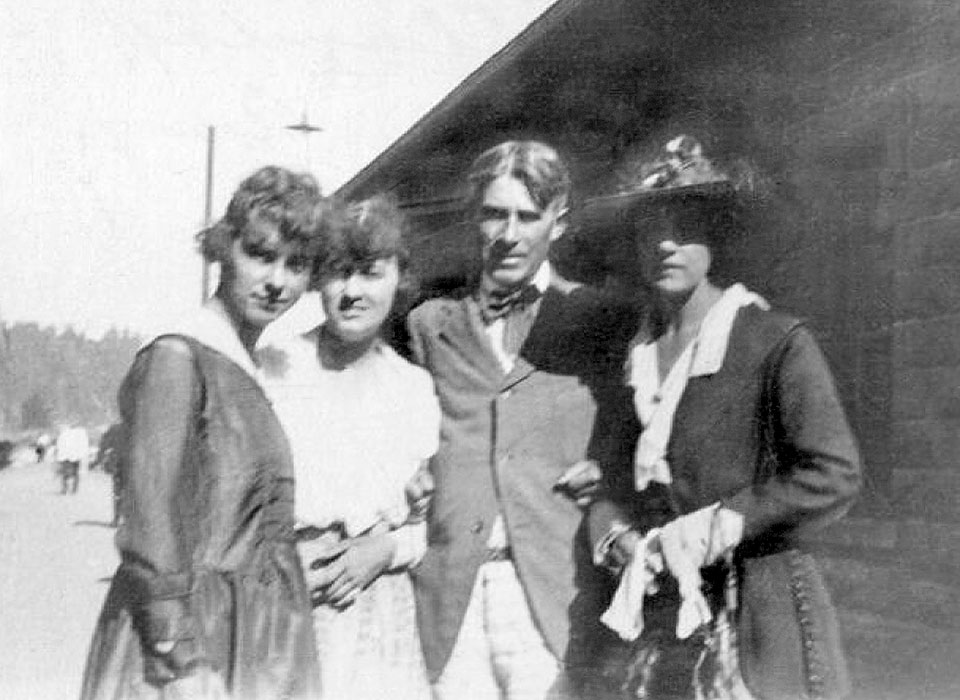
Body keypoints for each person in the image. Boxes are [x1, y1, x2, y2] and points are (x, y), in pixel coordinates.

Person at [590, 136, 862, 700]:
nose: (666, 243)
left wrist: (718, 524)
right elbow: (611, 477)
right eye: (650, 228)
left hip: (760, 609)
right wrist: (615, 534)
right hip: (662, 613)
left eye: (684, 225)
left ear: (716, 235)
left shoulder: (773, 340)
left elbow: (833, 473)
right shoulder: (634, 355)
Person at [80, 165, 327, 700]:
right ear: (222, 248)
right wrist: (181, 658)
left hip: (258, 636)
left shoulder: (248, 367)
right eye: (260, 255)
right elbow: (149, 524)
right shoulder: (178, 357)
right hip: (192, 641)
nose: (277, 281)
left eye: (296, 264)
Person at [406, 140, 634, 700]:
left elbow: (642, 434)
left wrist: (611, 473)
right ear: (473, 220)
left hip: (554, 595)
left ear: (558, 222)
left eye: (527, 216)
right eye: (494, 214)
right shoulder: (428, 327)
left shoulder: (601, 319)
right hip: (449, 597)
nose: (509, 234)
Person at [259, 195, 440, 700]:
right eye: (339, 273)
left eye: (370, 273)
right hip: (289, 599)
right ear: (318, 278)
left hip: (378, 609)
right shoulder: (275, 367)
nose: (352, 292)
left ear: (399, 278)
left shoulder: (413, 388)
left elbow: (426, 525)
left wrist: (386, 549)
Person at [55, 421, 88, 494]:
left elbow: (59, 445)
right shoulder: (80, 434)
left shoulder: (64, 434)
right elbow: (84, 445)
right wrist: (82, 455)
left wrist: (59, 456)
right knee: (76, 473)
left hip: (65, 457)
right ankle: (74, 489)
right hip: (76, 456)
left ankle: (65, 489)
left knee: (65, 474)